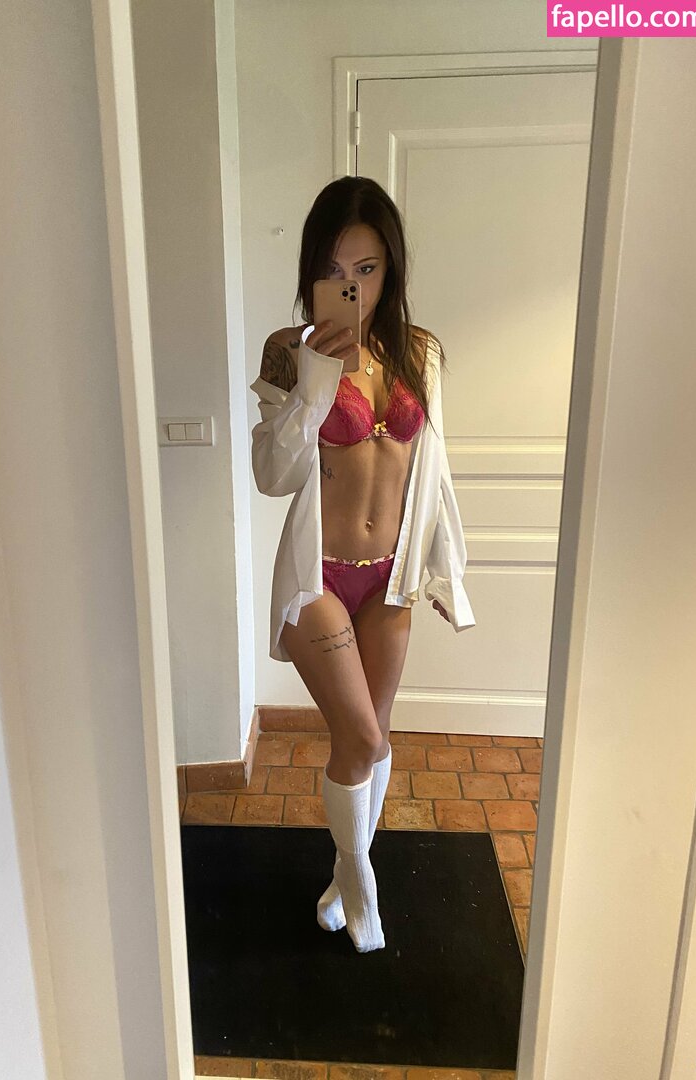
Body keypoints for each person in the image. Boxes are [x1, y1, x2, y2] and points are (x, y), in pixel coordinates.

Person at [249, 176, 475, 954]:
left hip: (391, 579)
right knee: (364, 740)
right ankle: (361, 888)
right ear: (314, 270)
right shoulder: (289, 352)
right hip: (320, 577)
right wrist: (315, 383)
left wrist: (443, 567)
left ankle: (344, 876)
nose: (353, 287)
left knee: (372, 736)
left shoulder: (421, 352)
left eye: (368, 269)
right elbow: (273, 475)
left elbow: (433, 470)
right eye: (335, 270)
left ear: (391, 267)